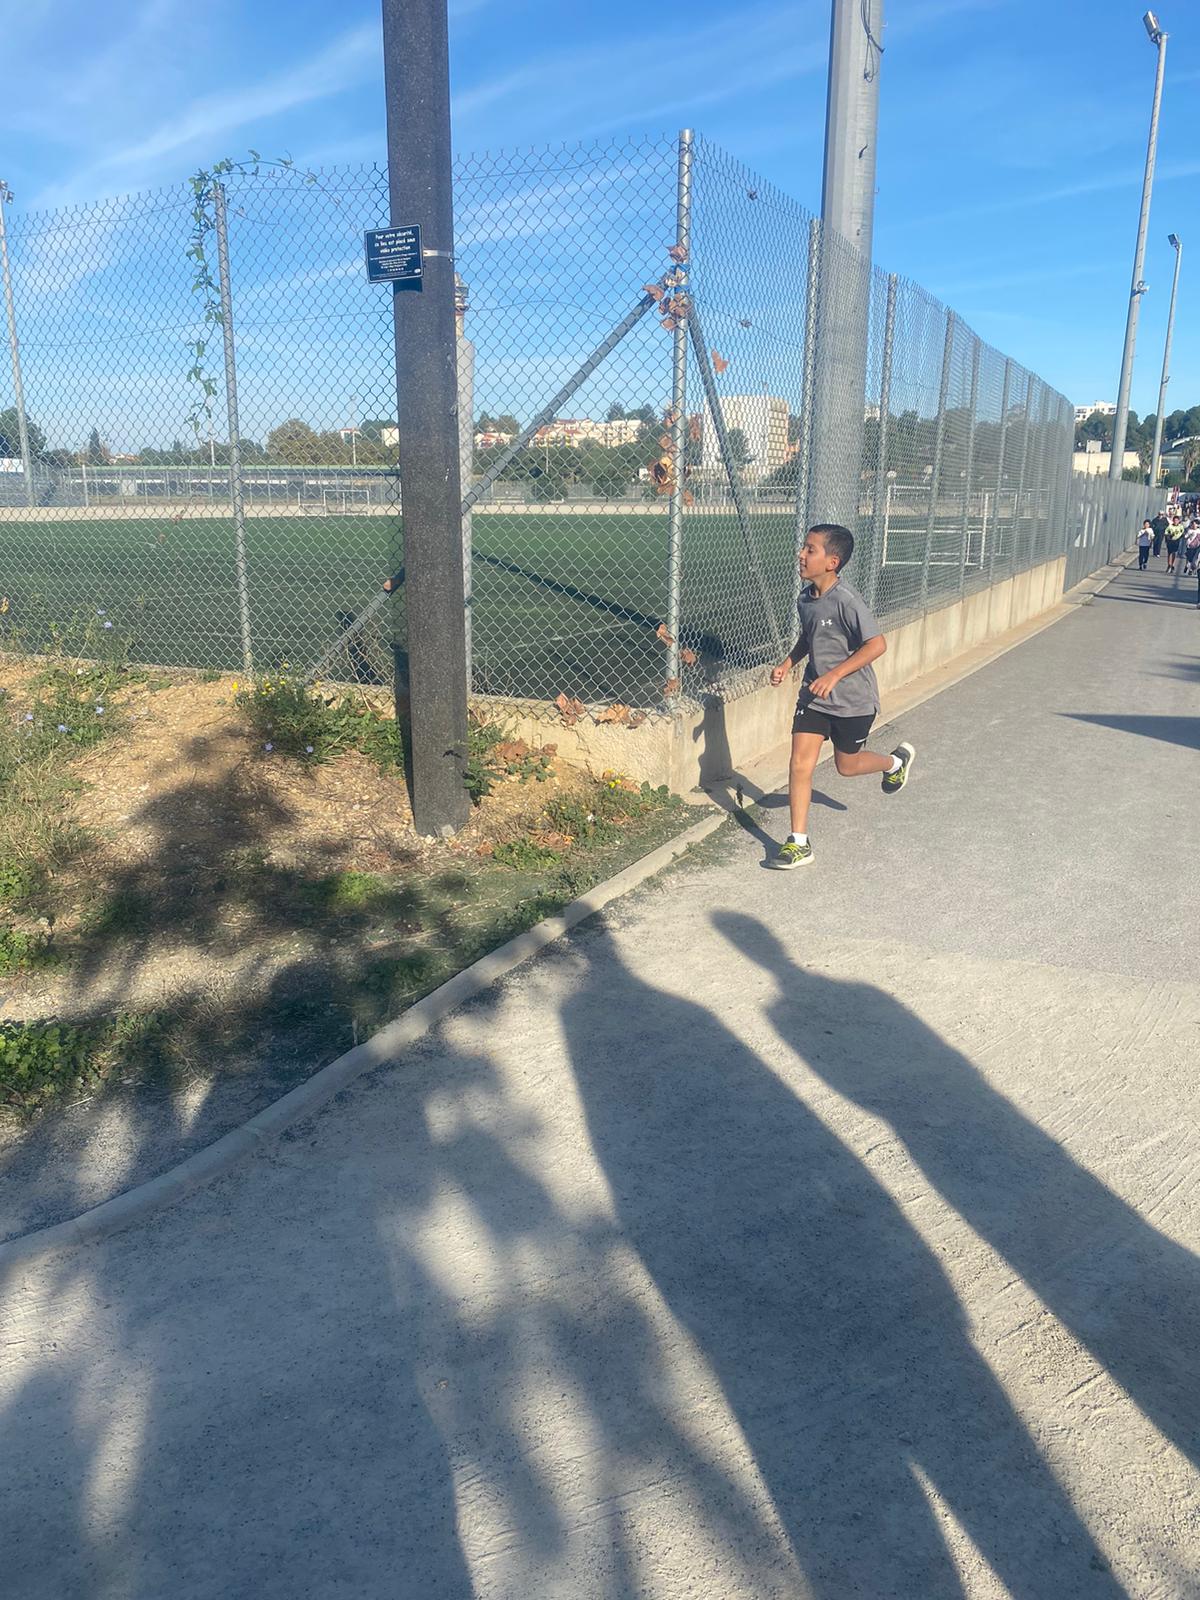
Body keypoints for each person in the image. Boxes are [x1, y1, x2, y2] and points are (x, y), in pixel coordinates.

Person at [768, 524, 914, 869]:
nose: (801, 555)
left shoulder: (847, 600)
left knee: (846, 766)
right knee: (800, 763)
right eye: (803, 547)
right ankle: (798, 842)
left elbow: (877, 644)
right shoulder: (805, 599)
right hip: (814, 697)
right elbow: (809, 637)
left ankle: (895, 763)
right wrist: (787, 663)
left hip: (853, 701)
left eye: (810, 550)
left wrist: (834, 675)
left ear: (832, 562)